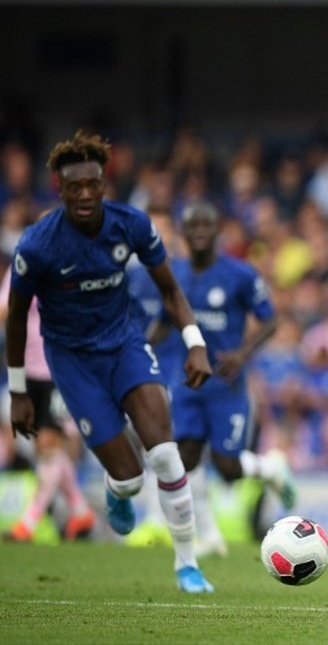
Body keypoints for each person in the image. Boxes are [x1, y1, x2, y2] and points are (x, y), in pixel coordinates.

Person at [6, 131, 214, 593]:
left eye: (92, 184)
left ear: (104, 185)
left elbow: (169, 289)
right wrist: (18, 391)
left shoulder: (131, 225)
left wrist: (195, 341)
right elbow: (17, 319)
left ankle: (187, 565)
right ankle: (120, 487)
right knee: (131, 478)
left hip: (124, 344)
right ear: (59, 189)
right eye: (73, 186)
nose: (84, 194)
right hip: (73, 362)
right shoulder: (38, 246)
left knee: (165, 452)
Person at [149, 201, 294, 556]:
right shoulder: (174, 272)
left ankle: (271, 467)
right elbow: (166, 322)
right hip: (186, 382)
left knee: (227, 467)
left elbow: (271, 320)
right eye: (192, 225)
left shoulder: (240, 274)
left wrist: (242, 353)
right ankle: (210, 536)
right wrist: (137, 350)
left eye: (206, 225)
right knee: (186, 457)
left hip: (226, 385)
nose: (199, 231)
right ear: (183, 232)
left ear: (217, 232)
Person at [1, 264, 96, 542]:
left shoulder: (71, 271)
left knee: (48, 445)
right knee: (44, 450)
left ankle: (28, 523)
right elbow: (5, 309)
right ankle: (80, 512)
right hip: (25, 372)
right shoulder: (21, 268)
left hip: (59, 370)